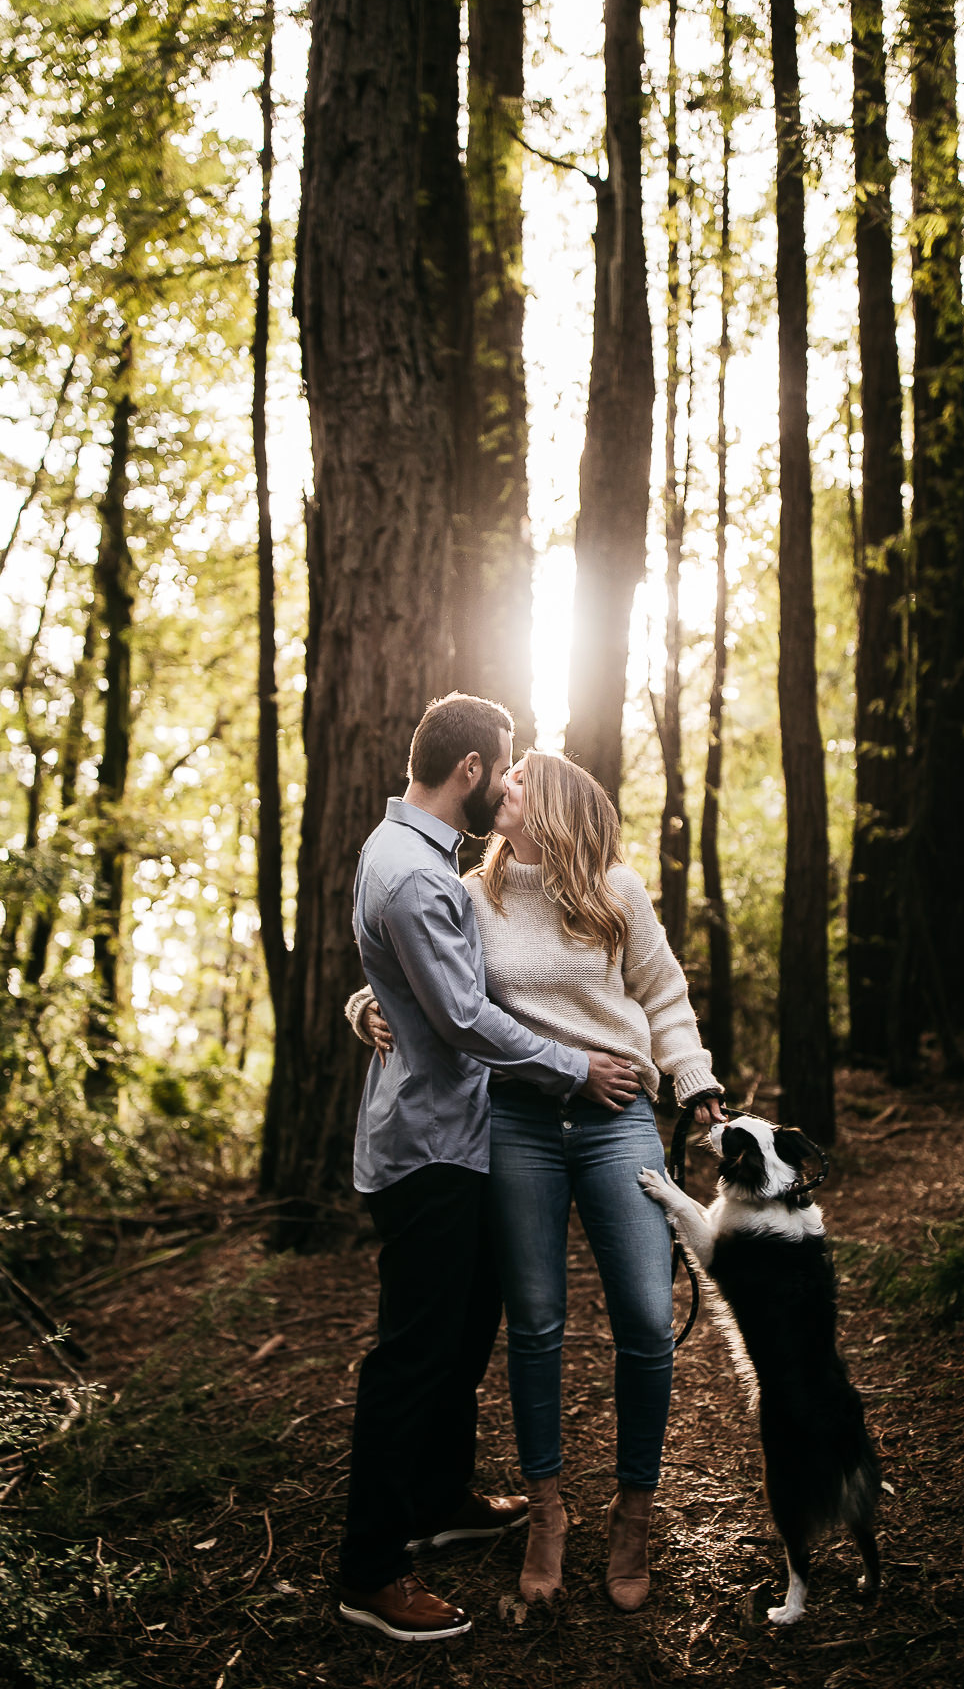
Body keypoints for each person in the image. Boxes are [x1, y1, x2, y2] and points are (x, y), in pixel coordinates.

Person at [351, 749, 724, 1613]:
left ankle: (634, 1510)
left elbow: (664, 996)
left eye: (518, 780)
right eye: (502, 774)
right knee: (537, 1324)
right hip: (516, 1121)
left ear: (551, 803)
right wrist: (364, 1006)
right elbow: (418, 972)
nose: (500, 788)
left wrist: (694, 1079)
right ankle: (548, 1512)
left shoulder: (614, 890)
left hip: (617, 1115)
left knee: (642, 1314)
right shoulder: (472, 892)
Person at [336, 696, 643, 1644]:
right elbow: (467, 1016)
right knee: (415, 1354)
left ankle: (438, 1500)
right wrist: (575, 1067)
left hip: (460, 1137)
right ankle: (372, 1569)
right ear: (469, 770)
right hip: (429, 1146)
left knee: (465, 1335)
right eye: (503, 769)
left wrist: (366, 1002)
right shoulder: (419, 878)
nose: (509, 785)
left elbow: (417, 980)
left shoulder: (420, 861)